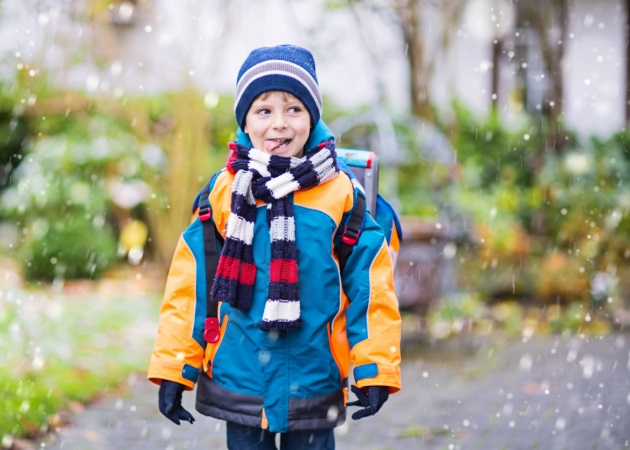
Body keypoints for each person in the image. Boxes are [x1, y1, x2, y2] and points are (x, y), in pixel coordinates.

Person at [147, 44, 402, 450]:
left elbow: (371, 288)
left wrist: (375, 368)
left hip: (315, 374)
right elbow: (191, 284)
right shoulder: (224, 192)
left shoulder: (339, 193)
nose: (279, 124)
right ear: (244, 120)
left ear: (312, 117)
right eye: (264, 110)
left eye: (294, 109)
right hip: (239, 371)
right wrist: (175, 368)